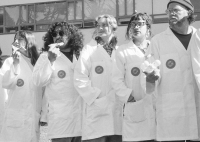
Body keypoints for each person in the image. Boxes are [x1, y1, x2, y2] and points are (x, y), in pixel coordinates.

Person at [146, 0, 199, 141]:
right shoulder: (158, 41)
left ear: (189, 12)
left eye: (176, 10)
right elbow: (149, 85)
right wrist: (150, 78)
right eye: (169, 11)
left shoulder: (198, 38)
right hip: (172, 116)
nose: (171, 14)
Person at [74, 14, 122, 142]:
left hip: (117, 107)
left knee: (116, 135)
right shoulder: (88, 49)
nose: (100, 28)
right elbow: (79, 77)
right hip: (96, 106)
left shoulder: (119, 50)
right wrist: (96, 96)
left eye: (104, 25)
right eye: (98, 25)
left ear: (113, 27)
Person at [33, 22, 84, 142]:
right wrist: (50, 61)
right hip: (61, 121)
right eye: (54, 34)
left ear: (71, 35)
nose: (57, 36)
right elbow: (38, 81)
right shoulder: (45, 56)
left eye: (61, 33)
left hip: (82, 121)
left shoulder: (81, 55)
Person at [111, 12, 156, 142]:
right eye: (133, 24)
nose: (136, 27)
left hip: (155, 104)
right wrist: (128, 96)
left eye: (140, 24)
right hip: (134, 105)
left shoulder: (155, 48)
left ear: (148, 28)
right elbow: (116, 79)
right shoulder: (123, 50)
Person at [0, 30, 41, 142]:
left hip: (32, 119)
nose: (17, 41)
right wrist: (16, 64)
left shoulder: (37, 64)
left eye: (21, 39)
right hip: (15, 121)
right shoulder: (9, 61)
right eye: (15, 39)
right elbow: (5, 83)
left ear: (30, 41)